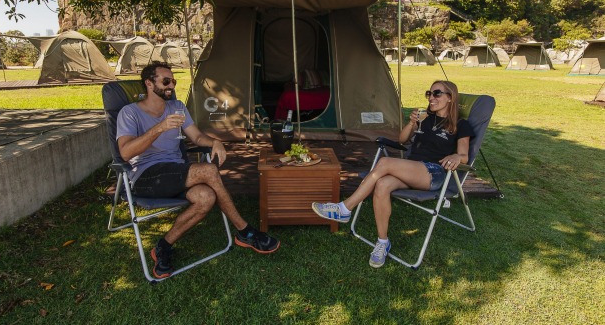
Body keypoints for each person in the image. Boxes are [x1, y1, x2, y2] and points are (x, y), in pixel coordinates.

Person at [117, 61, 280, 278]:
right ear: (148, 83)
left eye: (173, 81)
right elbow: (126, 153)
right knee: (209, 171)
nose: (171, 86)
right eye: (166, 81)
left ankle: (163, 247)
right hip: (147, 177)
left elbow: (197, 137)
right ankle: (244, 231)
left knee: (206, 197)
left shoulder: (177, 107)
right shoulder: (129, 113)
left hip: (176, 173)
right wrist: (160, 127)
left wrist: (214, 142)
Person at [312, 80, 474, 268]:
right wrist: (412, 123)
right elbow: (402, 140)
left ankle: (345, 208)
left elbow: (464, 156)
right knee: (382, 185)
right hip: (412, 169)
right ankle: (382, 242)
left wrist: (455, 155)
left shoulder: (461, 125)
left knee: (385, 162)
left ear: (450, 98)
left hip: (435, 172)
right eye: (429, 93)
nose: (431, 97)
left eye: (437, 93)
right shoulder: (426, 119)